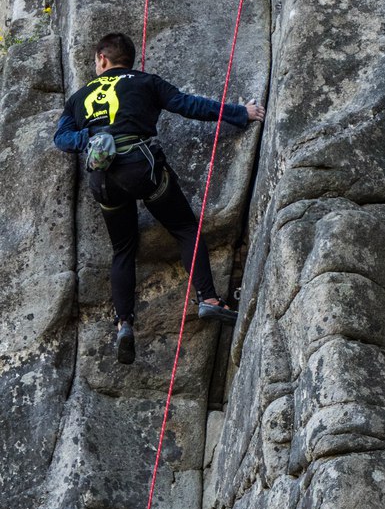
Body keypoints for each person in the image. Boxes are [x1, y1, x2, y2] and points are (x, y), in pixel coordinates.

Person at [54, 32, 265, 364]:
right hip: (142, 169)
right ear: (129, 60)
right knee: (184, 228)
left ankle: (124, 323)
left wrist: (91, 136)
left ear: (101, 59)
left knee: (123, 248)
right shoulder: (146, 82)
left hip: (103, 178)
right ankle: (208, 298)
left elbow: (61, 137)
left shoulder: (79, 97)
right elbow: (188, 105)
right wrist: (241, 112)